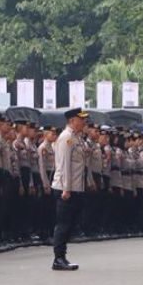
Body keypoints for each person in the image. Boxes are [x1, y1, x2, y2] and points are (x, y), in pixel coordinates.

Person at [50, 108, 88, 271]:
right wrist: (66, 189)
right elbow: (64, 164)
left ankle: (62, 256)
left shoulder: (76, 138)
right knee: (63, 224)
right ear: (72, 120)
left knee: (70, 223)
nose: (84, 122)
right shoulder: (66, 138)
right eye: (81, 119)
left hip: (75, 188)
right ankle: (58, 258)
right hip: (65, 188)